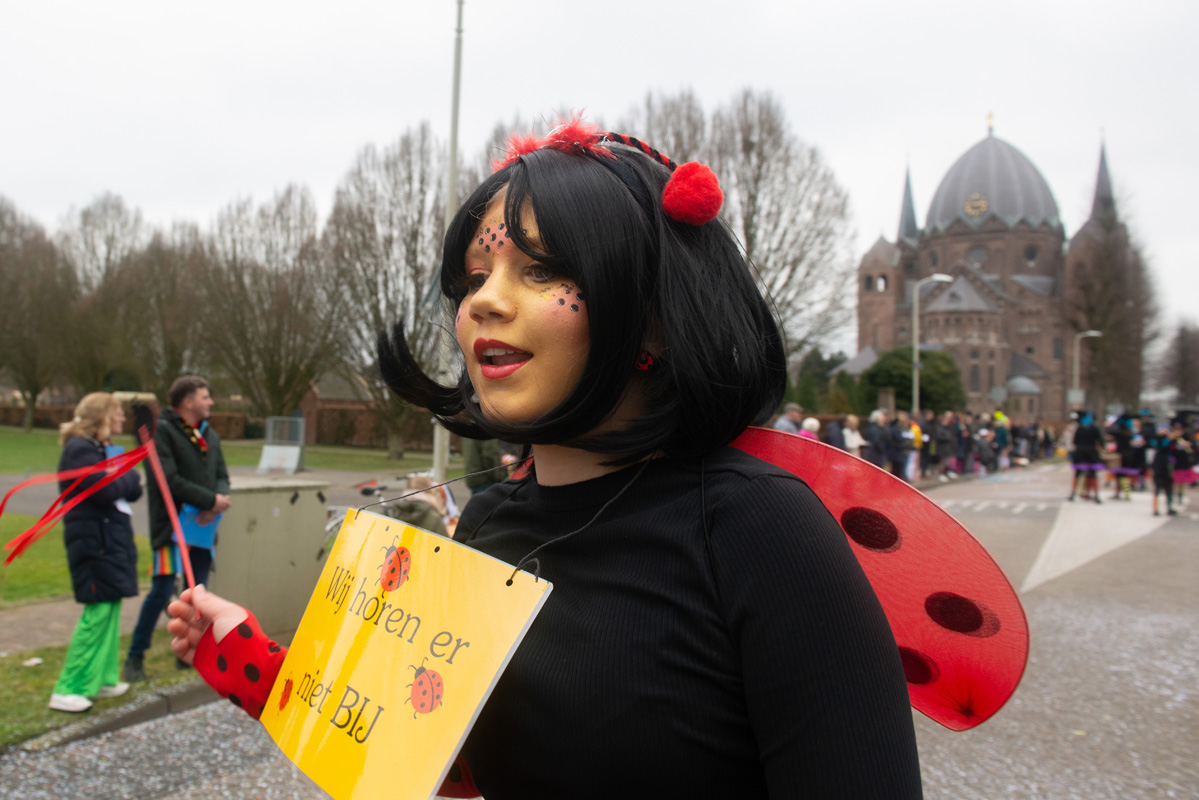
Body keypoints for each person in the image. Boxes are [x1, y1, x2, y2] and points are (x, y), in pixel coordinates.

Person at [168, 118, 922, 798]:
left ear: (652, 318)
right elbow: (424, 758)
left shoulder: (759, 528)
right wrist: (247, 659)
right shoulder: (486, 522)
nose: (484, 302)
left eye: (541, 271)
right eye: (476, 276)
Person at [124, 376, 230, 682]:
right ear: (187, 401)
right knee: (161, 590)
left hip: (203, 528)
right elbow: (168, 480)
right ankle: (135, 658)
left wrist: (217, 502)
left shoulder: (210, 434)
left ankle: (189, 654)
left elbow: (221, 475)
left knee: (198, 594)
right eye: (205, 397)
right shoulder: (162, 432)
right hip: (171, 528)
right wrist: (209, 500)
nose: (210, 402)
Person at [50, 393, 143, 712]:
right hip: (94, 543)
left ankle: (101, 678)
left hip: (109, 540)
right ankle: (68, 687)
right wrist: (125, 475)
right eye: (117, 414)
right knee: (97, 612)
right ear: (102, 416)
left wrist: (123, 475)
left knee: (110, 607)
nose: (122, 419)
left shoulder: (101, 450)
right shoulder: (79, 450)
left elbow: (133, 487)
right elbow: (105, 490)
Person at [1068, 412, 1104, 504]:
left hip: (1080, 452)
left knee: (1078, 474)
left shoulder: (1079, 428)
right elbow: (1100, 441)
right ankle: (1096, 495)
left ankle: (1073, 494)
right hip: (1092, 452)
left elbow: (1075, 441)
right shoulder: (1095, 428)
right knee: (1093, 474)